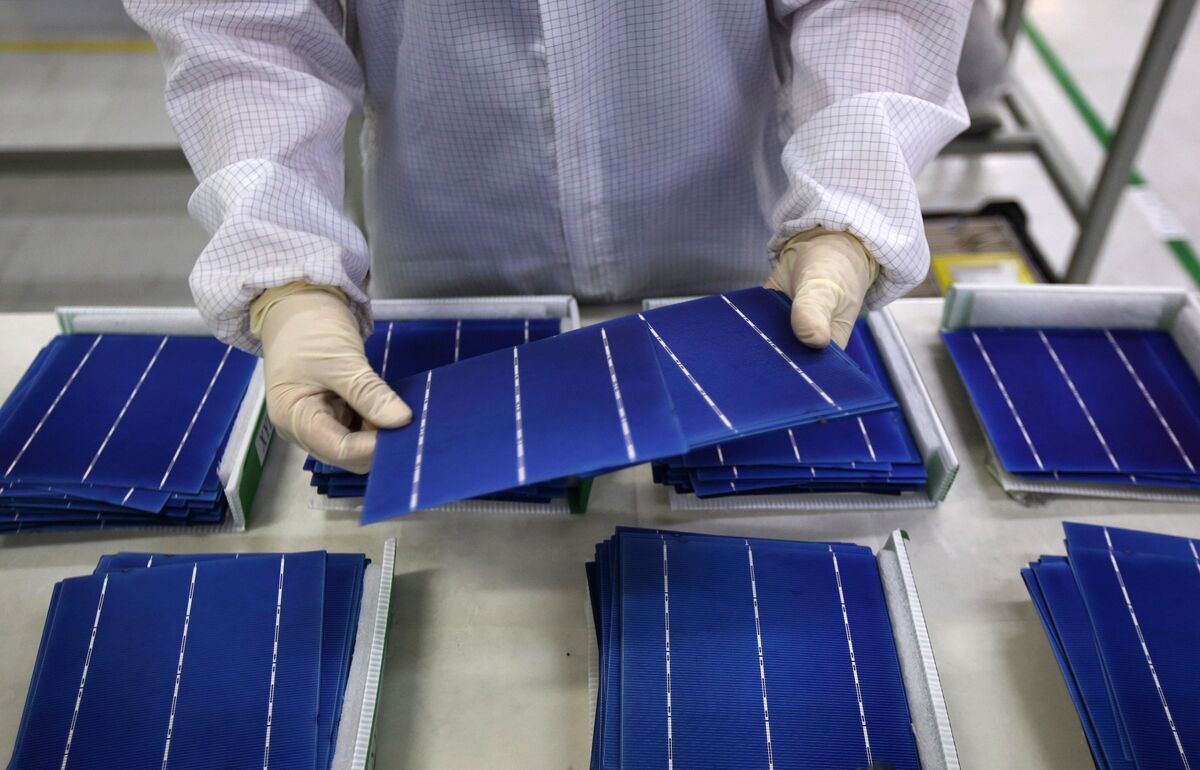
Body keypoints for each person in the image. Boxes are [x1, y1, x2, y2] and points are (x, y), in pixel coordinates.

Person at [125, 0, 971, 474]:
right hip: (449, 264)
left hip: (739, 263)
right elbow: (245, 27)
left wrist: (844, 216)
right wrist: (288, 273)